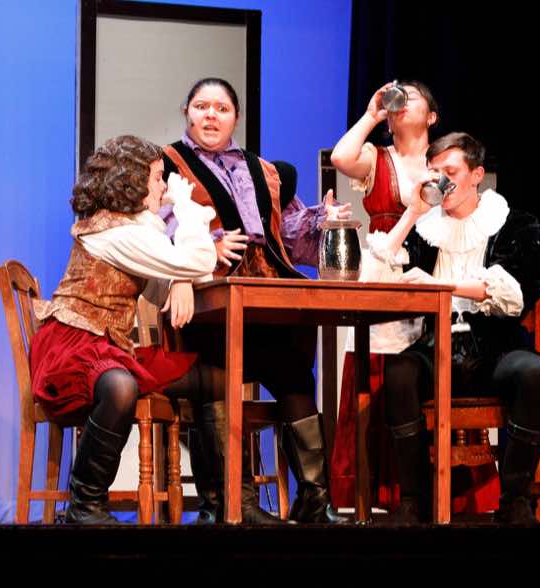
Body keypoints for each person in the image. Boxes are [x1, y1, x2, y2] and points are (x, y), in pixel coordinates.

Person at [160, 77, 351, 525]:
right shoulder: (168, 164)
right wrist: (204, 248)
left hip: (266, 301)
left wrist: (321, 221)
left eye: (221, 108)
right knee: (216, 376)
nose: (211, 115)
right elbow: (158, 227)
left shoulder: (264, 170)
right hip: (209, 304)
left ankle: (314, 498)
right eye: (202, 107)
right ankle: (233, 503)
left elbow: (287, 235)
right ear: (187, 112)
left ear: (236, 118)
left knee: (294, 375)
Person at [366, 132, 540, 525]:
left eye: (450, 172)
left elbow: (511, 292)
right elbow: (377, 278)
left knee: (534, 372)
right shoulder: (425, 230)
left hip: (495, 347)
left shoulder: (511, 224)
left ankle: (516, 498)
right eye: (435, 173)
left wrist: (441, 286)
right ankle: (415, 500)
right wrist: (412, 212)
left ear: (477, 175)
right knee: (400, 372)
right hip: (436, 348)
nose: (443, 182)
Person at [329, 82, 499, 514]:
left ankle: (448, 496)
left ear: (432, 116)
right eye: (396, 98)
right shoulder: (378, 158)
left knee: (425, 370)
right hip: (384, 270)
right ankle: (374, 497)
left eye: (412, 97)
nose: (401, 103)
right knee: (376, 373)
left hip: (432, 275)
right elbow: (341, 158)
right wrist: (372, 114)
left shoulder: (444, 163)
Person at [29, 135, 217, 524]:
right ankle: (85, 504)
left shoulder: (134, 229)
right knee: (120, 387)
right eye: (157, 178)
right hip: (71, 345)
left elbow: (169, 279)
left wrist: (179, 276)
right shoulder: (116, 232)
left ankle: (220, 503)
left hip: (107, 346)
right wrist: (186, 207)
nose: (164, 187)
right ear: (132, 182)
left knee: (212, 379)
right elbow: (199, 261)